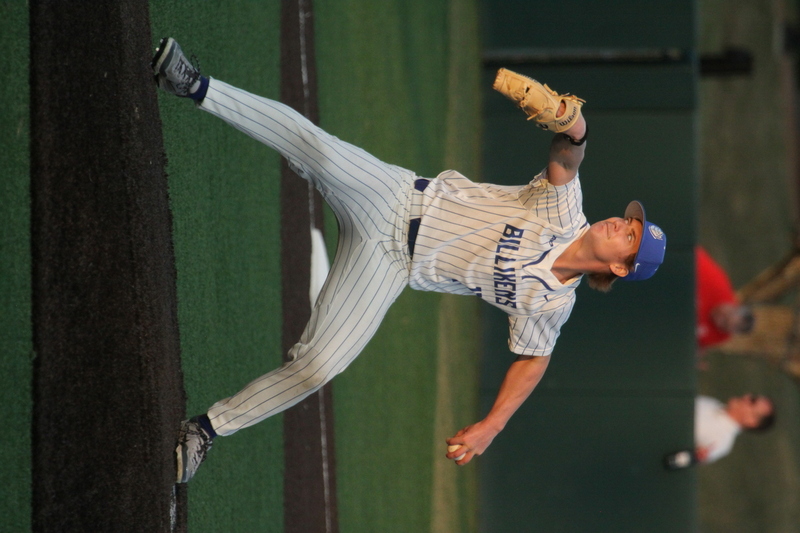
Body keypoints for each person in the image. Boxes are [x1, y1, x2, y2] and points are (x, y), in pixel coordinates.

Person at [151, 37, 667, 483]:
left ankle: (206, 428)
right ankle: (194, 85)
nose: (621, 226)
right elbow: (566, 158)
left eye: (630, 238)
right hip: (397, 197)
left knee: (318, 366)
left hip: (393, 267)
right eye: (629, 222)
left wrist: (491, 426)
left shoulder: (550, 304)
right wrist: (577, 128)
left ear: (619, 268)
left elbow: (534, 360)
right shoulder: (564, 211)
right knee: (321, 152)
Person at [664, 394, 775, 469]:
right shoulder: (713, 403)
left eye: (752, 401)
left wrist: (695, 456)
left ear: (751, 421)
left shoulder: (722, 442)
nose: (747, 396)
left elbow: (679, 460)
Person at [696, 245, 754, 349]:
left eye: (723, 325)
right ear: (734, 306)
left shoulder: (721, 337)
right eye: (726, 316)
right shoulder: (715, 282)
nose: (718, 321)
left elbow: (697, 346)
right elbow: (690, 253)